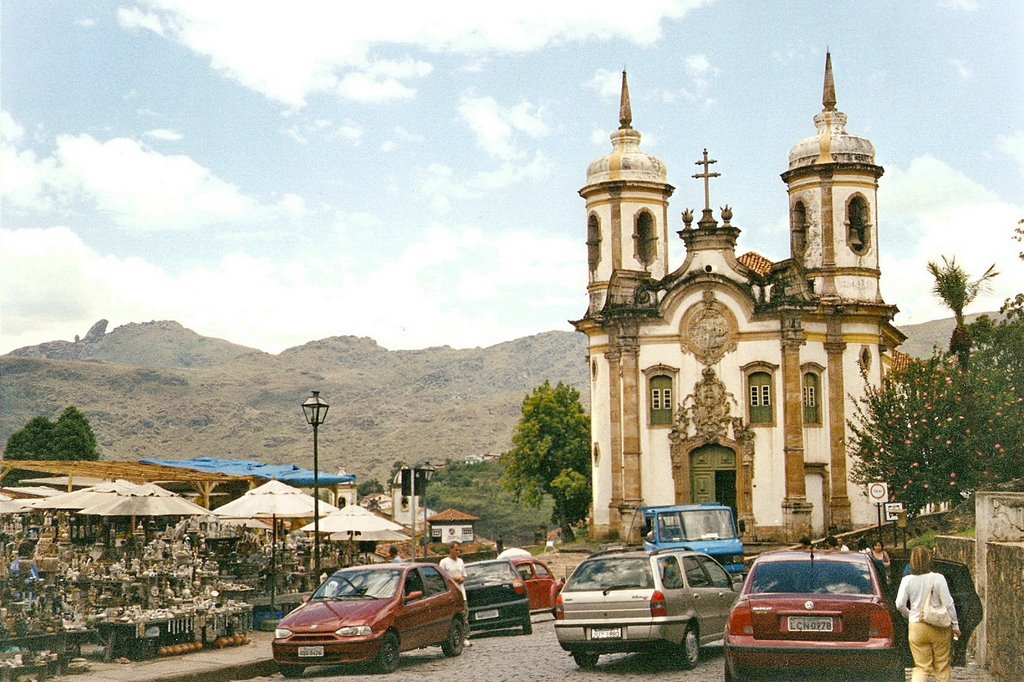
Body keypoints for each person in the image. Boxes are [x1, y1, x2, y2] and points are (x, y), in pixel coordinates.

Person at [896, 546, 960, 682]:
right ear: (929, 559)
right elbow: (949, 603)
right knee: (942, 665)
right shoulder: (938, 578)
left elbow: (899, 604)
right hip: (939, 626)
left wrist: (910, 615)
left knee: (921, 667)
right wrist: (955, 626)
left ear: (912, 561)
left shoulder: (906, 580)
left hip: (917, 626)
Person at [439, 542, 471, 647]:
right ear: (451, 550)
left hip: (461, 592)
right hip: (450, 593)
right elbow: (441, 578)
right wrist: (453, 579)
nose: (458, 552)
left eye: (459, 550)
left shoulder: (460, 561)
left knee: (464, 615)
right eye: (456, 550)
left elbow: (464, 575)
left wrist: (462, 579)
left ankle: (465, 637)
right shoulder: (444, 562)